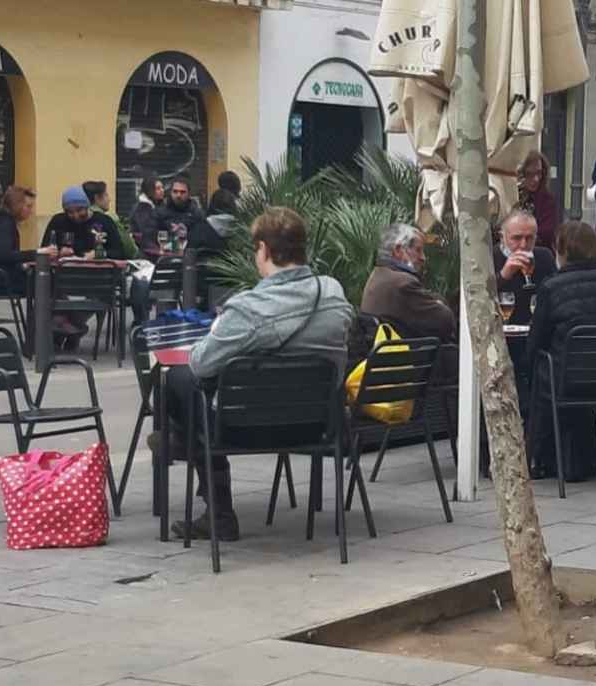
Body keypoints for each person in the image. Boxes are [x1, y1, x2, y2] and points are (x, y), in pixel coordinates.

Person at [162, 208, 353, 541]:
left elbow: (201, 364)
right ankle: (184, 442)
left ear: (263, 249)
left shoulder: (249, 308)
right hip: (318, 426)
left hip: (244, 430)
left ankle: (215, 504)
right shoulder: (333, 293)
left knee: (178, 379)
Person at [527, 221, 596, 481]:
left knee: (538, 369)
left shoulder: (552, 287)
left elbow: (537, 340)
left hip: (568, 380)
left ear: (562, 250)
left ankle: (538, 456)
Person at [362, 224, 457, 343]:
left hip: (385, 354)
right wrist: (440, 303)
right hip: (409, 356)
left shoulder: (378, 275)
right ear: (398, 250)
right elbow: (445, 320)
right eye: (418, 250)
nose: (423, 258)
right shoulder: (402, 283)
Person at [494, 210, 557, 321]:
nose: (523, 245)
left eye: (529, 238)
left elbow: (556, 295)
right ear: (502, 237)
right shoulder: (491, 257)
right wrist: (503, 276)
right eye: (517, 238)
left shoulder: (544, 256)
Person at [0, 184, 38, 294]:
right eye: (28, 206)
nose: (31, 211)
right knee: (44, 284)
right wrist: (37, 253)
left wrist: (21, 265)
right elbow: (5, 255)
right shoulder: (5, 224)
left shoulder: (0, 221)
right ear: (17, 205)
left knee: (39, 281)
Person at [40, 186, 103, 257]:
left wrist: (97, 254)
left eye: (79, 210)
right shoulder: (58, 221)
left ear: (87, 207)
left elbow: (117, 251)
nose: (76, 215)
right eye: (70, 212)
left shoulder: (103, 221)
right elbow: (45, 248)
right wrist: (59, 251)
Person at [81, 181, 135, 261]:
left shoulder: (77, 218)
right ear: (97, 198)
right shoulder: (109, 219)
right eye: (106, 195)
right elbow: (129, 250)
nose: (109, 199)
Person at [517, 150, 559, 251]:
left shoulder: (547, 200)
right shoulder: (510, 196)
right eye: (529, 174)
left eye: (539, 173)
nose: (536, 179)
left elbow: (547, 233)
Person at [159, 176, 205, 250]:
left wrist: (187, 235)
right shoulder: (160, 212)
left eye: (182, 192)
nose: (178, 195)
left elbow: (202, 238)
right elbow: (151, 236)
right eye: (175, 191)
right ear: (170, 192)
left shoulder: (197, 214)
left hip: (190, 254)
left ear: (189, 194)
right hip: (163, 254)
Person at [130, 176, 167, 259]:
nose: (162, 190)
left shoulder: (158, 206)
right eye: (158, 188)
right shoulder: (142, 209)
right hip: (147, 253)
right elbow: (147, 232)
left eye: (162, 187)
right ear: (150, 190)